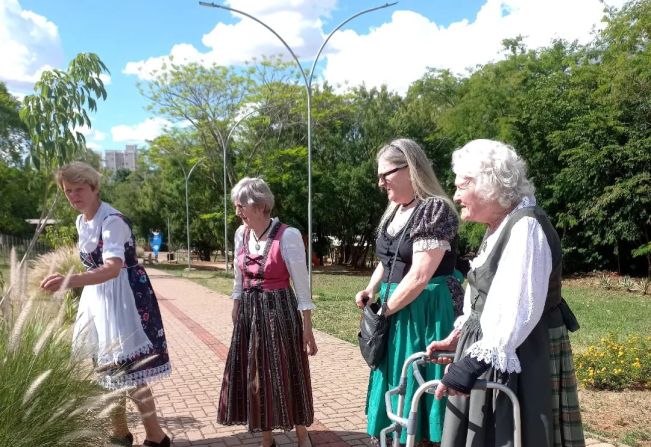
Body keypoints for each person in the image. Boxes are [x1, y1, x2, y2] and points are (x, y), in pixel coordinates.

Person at [428, 139, 585, 447]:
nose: (456, 196)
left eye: (462, 187)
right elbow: (485, 297)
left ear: (488, 185)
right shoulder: (498, 225)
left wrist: (471, 365)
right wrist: (458, 337)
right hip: (491, 348)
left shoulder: (527, 227)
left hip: (523, 353)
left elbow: (516, 308)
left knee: (515, 433)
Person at [40, 162, 171, 447]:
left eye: (79, 189)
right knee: (107, 372)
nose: (74, 196)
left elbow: (112, 268)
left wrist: (69, 281)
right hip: (99, 299)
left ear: (95, 188)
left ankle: (156, 436)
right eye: (68, 191)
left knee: (132, 373)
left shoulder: (112, 221)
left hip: (125, 299)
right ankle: (120, 433)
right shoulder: (81, 222)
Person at [356, 138, 464, 444]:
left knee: (420, 379)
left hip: (426, 308)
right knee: (395, 376)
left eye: (385, 174)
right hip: (398, 304)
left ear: (410, 168)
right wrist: (371, 289)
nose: (380, 183)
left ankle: (424, 438)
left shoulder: (434, 210)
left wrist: (384, 308)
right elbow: (388, 260)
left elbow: (419, 275)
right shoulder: (395, 211)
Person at [218, 177, 317, 447]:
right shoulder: (242, 234)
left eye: (241, 206)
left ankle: (301, 433)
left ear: (260, 205)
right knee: (255, 375)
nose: (237, 211)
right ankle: (266, 438)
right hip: (250, 312)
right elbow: (239, 276)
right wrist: (236, 303)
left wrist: (307, 328)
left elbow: (302, 283)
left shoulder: (289, 235)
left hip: (279, 311)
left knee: (288, 371)